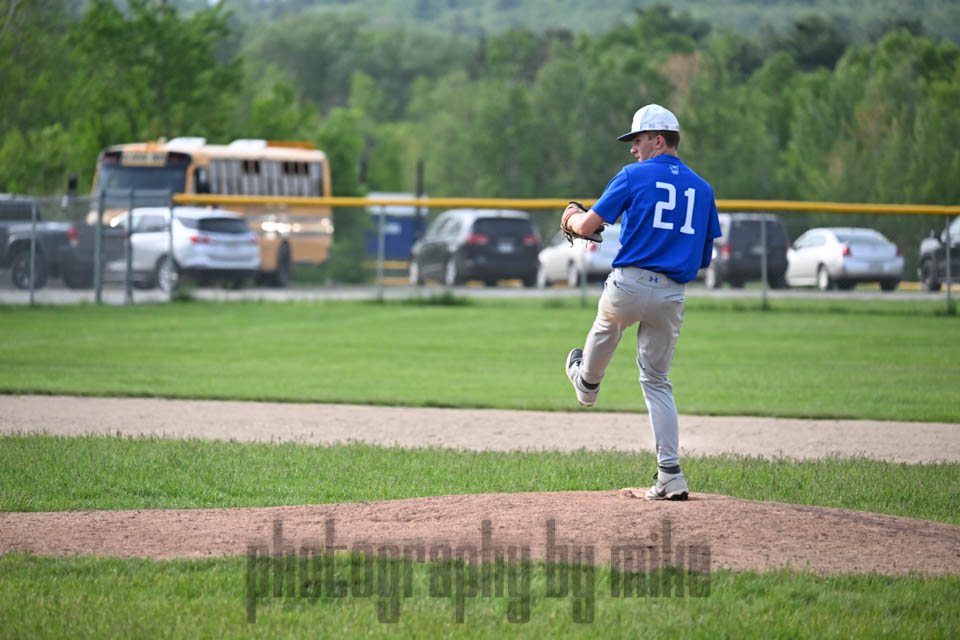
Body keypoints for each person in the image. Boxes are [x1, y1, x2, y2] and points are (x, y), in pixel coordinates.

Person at [562, 103, 721, 501]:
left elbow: (587, 226)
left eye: (638, 140)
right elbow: (704, 258)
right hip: (672, 293)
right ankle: (671, 474)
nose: (633, 148)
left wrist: (570, 216)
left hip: (630, 283)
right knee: (656, 381)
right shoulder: (703, 189)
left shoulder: (633, 175)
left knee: (607, 327)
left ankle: (587, 384)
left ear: (659, 140)